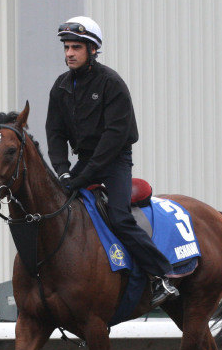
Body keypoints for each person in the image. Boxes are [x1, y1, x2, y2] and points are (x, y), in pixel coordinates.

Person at [45, 16, 179, 308]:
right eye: (66, 47)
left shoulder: (111, 83)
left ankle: (161, 275)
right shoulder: (60, 87)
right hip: (84, 161)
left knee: (119, 216)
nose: (69, 53)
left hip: (115, 160)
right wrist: (63, 170)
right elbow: (54, 133)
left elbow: (113, 138)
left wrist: (81, 177)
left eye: (76, 47)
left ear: (92, 50)